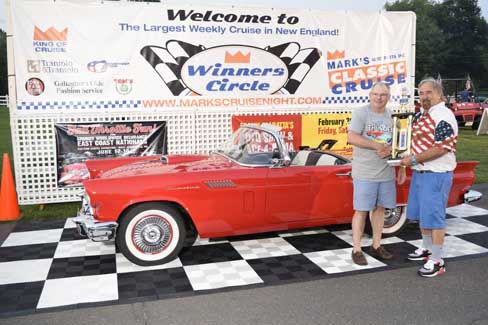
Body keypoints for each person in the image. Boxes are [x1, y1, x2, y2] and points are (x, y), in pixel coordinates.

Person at [399, 78, 458, 277]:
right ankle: (426, 248)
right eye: (421, 93)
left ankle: (437, 260)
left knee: (434, 216)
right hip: (421, 172)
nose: (423, 96)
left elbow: (442, 148)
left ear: (439, 94)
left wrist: (413, 159)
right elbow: (409, 140)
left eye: (428, 93)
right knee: (424, 214)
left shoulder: (443, 116)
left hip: (437, 173)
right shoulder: (422, 115)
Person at [347, 82, 397, 265]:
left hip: (386, 171)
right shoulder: (361, 113)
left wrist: (391, 150)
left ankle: (376, 245)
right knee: (360, 210)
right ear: (370, 95)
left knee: (380, 209)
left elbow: (401, 140)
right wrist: (377, 145)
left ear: (389, 97)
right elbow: (351, 137)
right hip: (365, 172)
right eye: (375, 94)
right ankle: (357, 249)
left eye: (383, 94)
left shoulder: (393, 116)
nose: (379, 97)